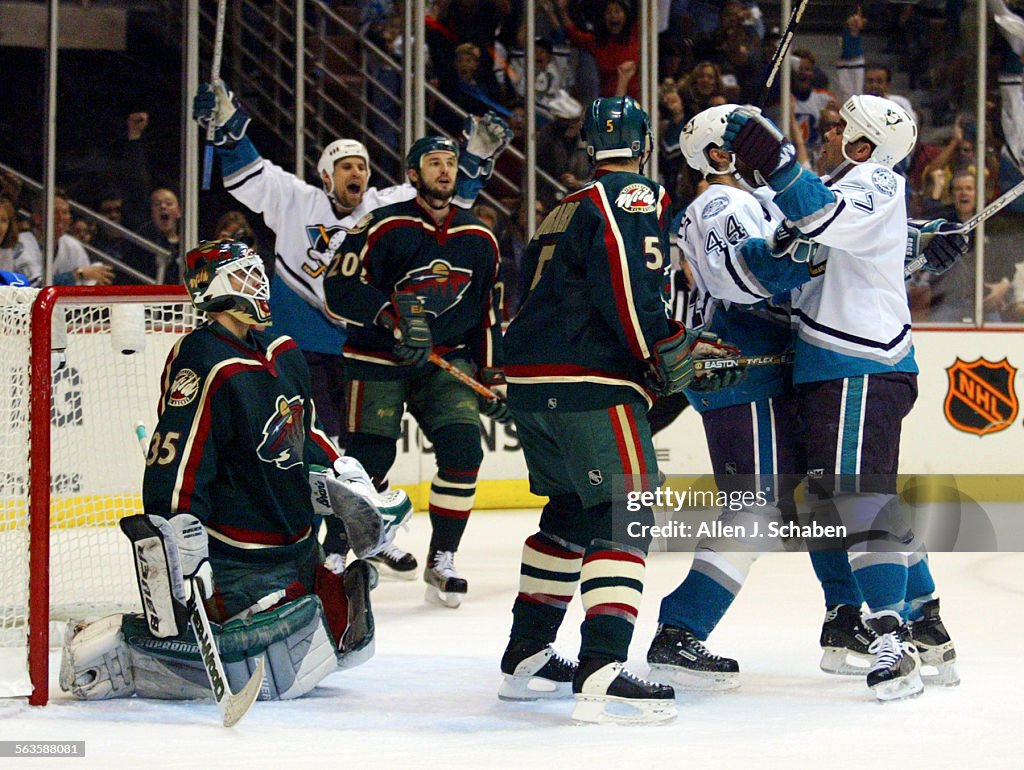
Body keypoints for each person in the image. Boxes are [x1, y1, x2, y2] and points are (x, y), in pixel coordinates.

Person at [60, 239, 412, 704]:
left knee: (344, 633)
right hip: (239, 554)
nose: (260, 284)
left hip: (296, 541)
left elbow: (306, 429)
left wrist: (344, 475)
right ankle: (122, 653)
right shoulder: (202, 357)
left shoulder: (284, 348)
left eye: (258, 273)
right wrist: (177, 528)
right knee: (282, 654)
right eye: (246, 275)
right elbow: (177, 455)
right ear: (215, 289)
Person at [192, 79, 511, 578]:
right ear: (326, 175)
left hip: (368, 344)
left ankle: (368, 535)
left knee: (359, 455)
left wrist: (473, 156)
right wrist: (227, 130)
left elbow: (444, 189)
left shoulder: (382, 207)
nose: (356, 172)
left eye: (362, 165)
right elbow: (245, 173)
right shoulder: (297, 200)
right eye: (346, 166)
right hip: (306, 343)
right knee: (328, 450)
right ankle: (331, 542)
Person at [495, 96, 741, 724]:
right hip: (589, 379)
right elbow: (630, 284)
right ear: (643, 145)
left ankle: (526, 653)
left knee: (571, 509)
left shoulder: (560, 208)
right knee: (624, 509)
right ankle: (603, 668)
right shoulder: (633, 196)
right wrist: (663, 349)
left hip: (532, 379)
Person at [724, 94, 961, 700]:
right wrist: (921, 241)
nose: (825, 136)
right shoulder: (845, 186)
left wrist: (776, 163)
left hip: (859, 361)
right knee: (839, 504)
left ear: (863, 144)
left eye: (837, 129)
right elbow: (819, 246)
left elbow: (829, 219)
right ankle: (924, 615)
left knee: (856, 500)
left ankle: (892, 638)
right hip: (828, 367)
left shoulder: (874, 177)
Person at [644, 104, 872, 691]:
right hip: (740, 372)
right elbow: (748, 278)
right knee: (755, 507)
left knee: (819, 498)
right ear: (720, 156)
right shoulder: (720, 204)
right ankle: (679, 629)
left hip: (770, 372)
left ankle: (845, 616)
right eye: (750, 144)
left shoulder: (750, 200)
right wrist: (810, 241)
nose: (765, 152)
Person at [322, 136, 510, 609]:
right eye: (433, 164)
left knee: (465, 450)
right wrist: (393, 320)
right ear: (412, 175)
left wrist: (495, 374)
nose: (445, 171)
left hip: (445, 359)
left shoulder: (479, 237)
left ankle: (442, 557)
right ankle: (332, 557)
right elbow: (339, 288)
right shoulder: (382, 225)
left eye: (450, 163)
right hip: (378, 358)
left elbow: (488, 314)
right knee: (368, 462)